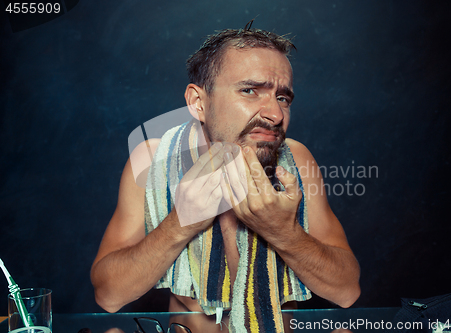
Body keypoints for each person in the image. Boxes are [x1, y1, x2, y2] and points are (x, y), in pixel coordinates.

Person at [91, 26, 360, 332]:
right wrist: (181, 222)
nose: (274, 113)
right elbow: (109, 296)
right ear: (198, 103)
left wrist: (285, 233)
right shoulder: (152, 161)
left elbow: (347, 291)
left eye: (283, 97)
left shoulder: (296, 160)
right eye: (249, 90)